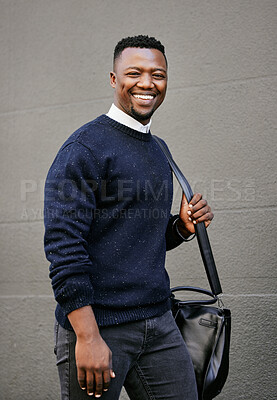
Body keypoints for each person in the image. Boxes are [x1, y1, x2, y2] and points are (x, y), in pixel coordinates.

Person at [44, 35, 214, 400]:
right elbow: (63, 249)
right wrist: (88, 337)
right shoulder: (85, 148)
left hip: (159, 321)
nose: (147, 83)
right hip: (99, 326)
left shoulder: (158, 148)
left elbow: (136, 236)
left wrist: (180, 228)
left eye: (158, 74)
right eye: (134, 73)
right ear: (113, 78)